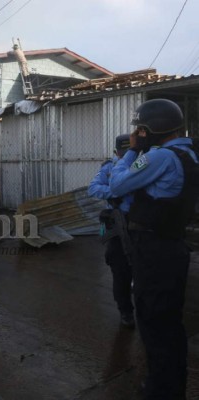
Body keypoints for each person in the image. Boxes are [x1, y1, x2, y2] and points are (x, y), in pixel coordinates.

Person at [109, 98, 196, 399]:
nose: (138, 134)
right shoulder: (189, 153)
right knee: (169, 324)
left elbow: (117, 185)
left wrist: (132, 150)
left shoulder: (160, 157)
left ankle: (162, 391)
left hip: (155, 250)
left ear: (149, 130)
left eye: (140, 130)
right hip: (171, 246)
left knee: (154, 323)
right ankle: (171, 387)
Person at [88, 134, 135, 328]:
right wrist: (116, 191)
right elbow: (93, 189)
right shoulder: (108, 168)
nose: (124, 157)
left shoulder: (140, 164)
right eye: (121, 153)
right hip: (117, 223)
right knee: (119, 269)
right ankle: (126, 311)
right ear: (116, 152)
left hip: (141, 222)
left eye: (128, 153)